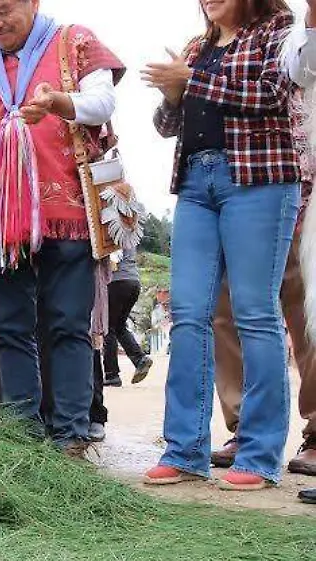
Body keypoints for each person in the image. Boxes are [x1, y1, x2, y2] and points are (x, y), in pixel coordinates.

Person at [0, 0, 124, 455]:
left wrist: (59, 102)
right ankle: (21, 439)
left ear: (32, 3)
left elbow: (103, 101)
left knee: (68, 325)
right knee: (9, 329)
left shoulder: (75, 42)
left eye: (3, 10)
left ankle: (70, 434)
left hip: (66, 211)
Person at [143, 0, 299, 490]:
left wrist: (190, 80)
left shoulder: (279, 30)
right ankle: (184, 449)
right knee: (189, 314)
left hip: (258, 180)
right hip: (196, 182)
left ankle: (259, 453)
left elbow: (272, 94)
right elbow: (167, 126)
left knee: (255, 313)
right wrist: (172, 95)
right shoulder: (198, 47)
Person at [215, 8, 316, 485]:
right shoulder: (220, 40)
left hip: (299, 188)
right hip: (246, 188)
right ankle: (243, 426)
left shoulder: (285, 30)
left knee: (304, 312)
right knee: (230, 309)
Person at [103, 242, 153, 387]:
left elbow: (114, 258)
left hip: (117, 281)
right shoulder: (128, 230)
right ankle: (139, 359)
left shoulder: (113, 230)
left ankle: (111, 374)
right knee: (119, 326)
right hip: (133, 281)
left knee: (108, 328)